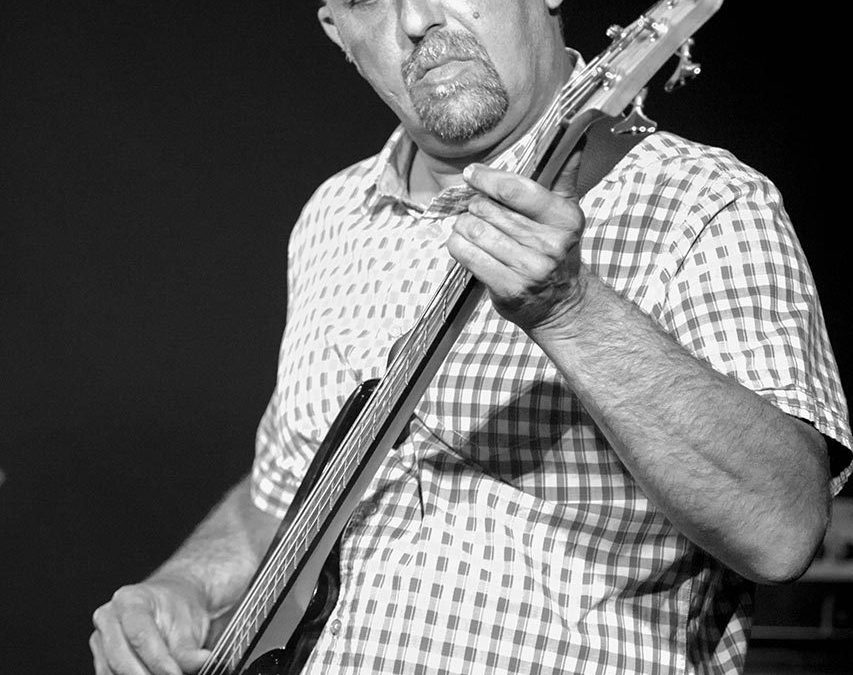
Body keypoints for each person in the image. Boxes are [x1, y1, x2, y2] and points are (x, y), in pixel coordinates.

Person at [90, 1, 852, 673]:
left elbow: (780, 531)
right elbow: (282, 497)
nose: (415, 19)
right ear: (336, 32)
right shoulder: (333, 214)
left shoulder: (703, 201)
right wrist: (184, 586)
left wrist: (571, 310)